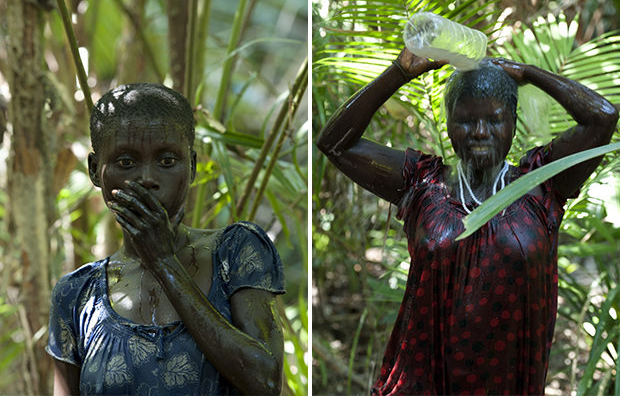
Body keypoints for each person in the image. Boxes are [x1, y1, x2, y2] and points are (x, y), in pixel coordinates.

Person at [317, 47, 618, 395]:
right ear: (448, 124)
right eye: (465, 120)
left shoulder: (543, 185)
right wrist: (399, 72)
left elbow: (603, 117)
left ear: (512, 123)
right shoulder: (421, 183)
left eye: (494, 119)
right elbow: (335, 144)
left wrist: (530, 73)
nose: (479, 131)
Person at [46, 83, 285, 395]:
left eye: (168, 161)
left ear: (193, 165)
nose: (147, 178)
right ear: (95, 170)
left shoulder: (235, 250)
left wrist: (164, 262)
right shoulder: (77, 294)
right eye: (126, 162)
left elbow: (265, 381)